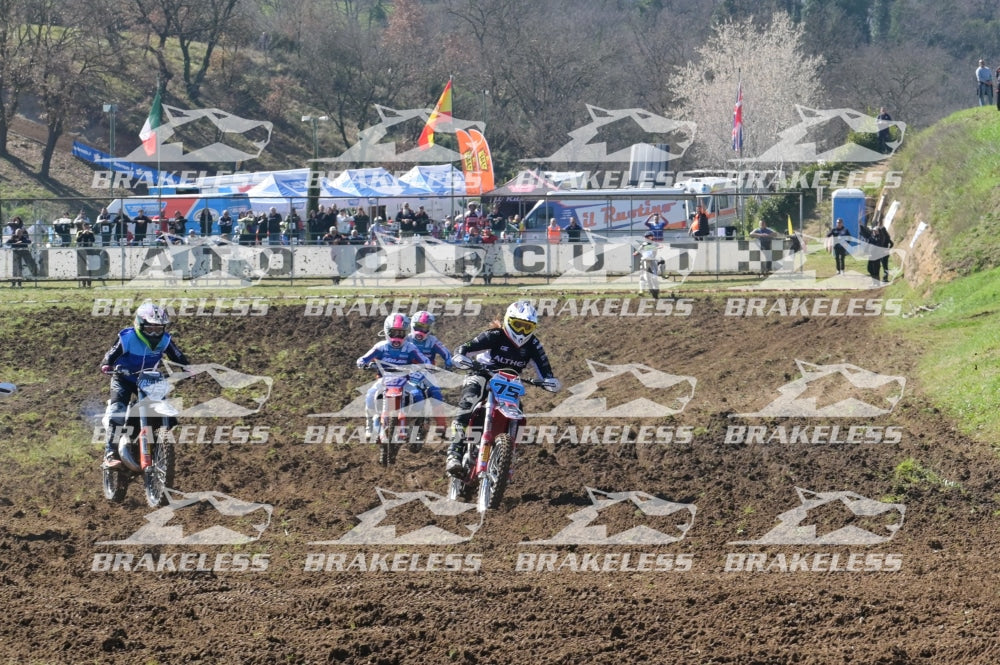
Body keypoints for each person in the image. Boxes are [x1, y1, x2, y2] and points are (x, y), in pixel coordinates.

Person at [446, 301, 561, 477]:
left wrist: (549, 381)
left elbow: (545, 370)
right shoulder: (495, 336)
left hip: (509, 382)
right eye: (518, 325)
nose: (522, 331)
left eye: (527, 327)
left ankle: (507, 457)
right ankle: (454, 454)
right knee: (468, 403)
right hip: (483, 374)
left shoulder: (533, 345)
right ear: (508, 321)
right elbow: (466, 348)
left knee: (519, 413)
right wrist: (461, 356)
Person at [99, 302, 190, 468]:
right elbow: (111, 354)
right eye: (150, 328)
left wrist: (187, 367)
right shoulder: (127, 337)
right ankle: (109, 454)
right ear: (140, 325)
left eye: (158, 328)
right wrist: (107, 364)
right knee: (117, 411)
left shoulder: (165, 340)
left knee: (162, 406)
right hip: (124, 378)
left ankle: (159, 443)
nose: (155, 333)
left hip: (148, 379)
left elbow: (177, 355)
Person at [356, 314, 444, 452]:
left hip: (405, 381)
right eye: (394, 332)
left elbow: (424, 359)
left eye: (401, 333)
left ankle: (416, 424)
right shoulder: (380, 347)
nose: (397, 336)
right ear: (386, 331)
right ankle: (370, 426)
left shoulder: (410, 347)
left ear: (406, 333)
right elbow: (363, 358)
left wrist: (424, 365)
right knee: (370, 395)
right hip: (385, 380)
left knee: (418, 395)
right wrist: (364, 364)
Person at [633, 231, 661, 299]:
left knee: (655, 275)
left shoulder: (654, 243)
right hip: (644, 260)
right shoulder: (644, 244)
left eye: (649, 237)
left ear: (652, 237)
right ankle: (641, 290)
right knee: (642, 275)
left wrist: (658, 247)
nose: (647, 238)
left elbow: (660, 246)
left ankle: (655, 288)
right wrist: (635, 253)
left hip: (652, 260)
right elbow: (638, 250)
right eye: (646, 237)